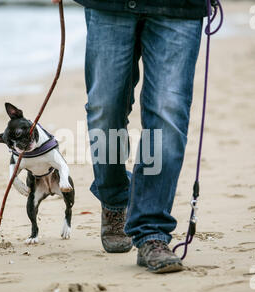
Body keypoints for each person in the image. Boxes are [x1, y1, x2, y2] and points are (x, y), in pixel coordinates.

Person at [52, 0, 210, 273]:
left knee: (168, 114)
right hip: (109, 6)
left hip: (180, 8)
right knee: (105, 109)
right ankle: (114, 197)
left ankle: (152, 232)